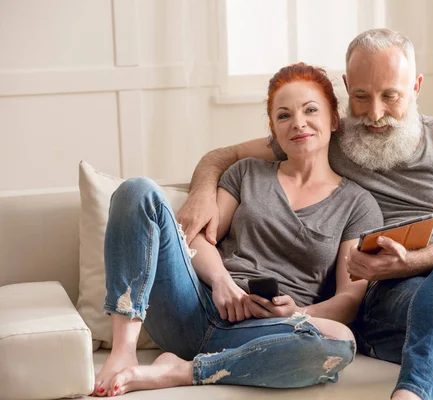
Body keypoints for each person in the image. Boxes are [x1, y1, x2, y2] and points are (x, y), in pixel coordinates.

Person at [177, 29, 433, 400]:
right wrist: (201, 193)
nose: (375, 113)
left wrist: (409, 262)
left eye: (390, 96)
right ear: (345, 87)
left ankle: (412, 391)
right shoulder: (329, 138)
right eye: (361, 96)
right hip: (392, 302)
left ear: (416, 86)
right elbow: (225, 155)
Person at [92, 62, 383, 397]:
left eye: (310, 110)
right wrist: (222, 283)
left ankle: (183, 371)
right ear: (273, 129)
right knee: (137, 190)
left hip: (267, 332)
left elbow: (349, 298)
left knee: (340, 341)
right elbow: (200, 236)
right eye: (284, 115)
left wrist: (297, 312)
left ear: (333, 119)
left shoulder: (359, 205)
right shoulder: (246, 173)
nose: (298, 122)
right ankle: (123, 351)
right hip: (192, 307)